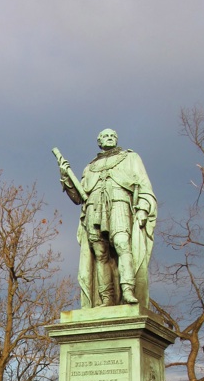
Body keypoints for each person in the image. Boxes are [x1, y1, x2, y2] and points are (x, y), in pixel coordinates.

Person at [58, 129, 156, 308]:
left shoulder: (130, 158)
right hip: (93, 210)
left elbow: (144, 186)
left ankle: (127, 290)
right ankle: (106, 298)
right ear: (99, 141)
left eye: (113, 135)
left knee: (121, 244)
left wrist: (142, 208)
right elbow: (78, 198)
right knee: (100, 254)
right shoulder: (90, 167)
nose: (110, 137)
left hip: (119, 205)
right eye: (105, 136)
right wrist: (65, 177)